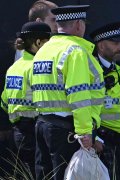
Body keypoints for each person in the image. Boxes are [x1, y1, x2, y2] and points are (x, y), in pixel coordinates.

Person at [30, 5, 105, 180]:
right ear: (79, 25)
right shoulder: (75, 51)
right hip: (65, 130)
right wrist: (85, 131)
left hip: (42, 125)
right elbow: (78, 95)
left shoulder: (43, 50)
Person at [89, 22, 120, 179]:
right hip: (101, 142)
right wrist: (93, 138)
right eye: (115, 43)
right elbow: (81, 105)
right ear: (101, 46)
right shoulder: (88, 70)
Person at [1, 22, 51, 178]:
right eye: (47, 42)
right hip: (35, 132)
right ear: (37, 43)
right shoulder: (37, 67)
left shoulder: (14, 67)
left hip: (17, 132)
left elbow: (4, 102)